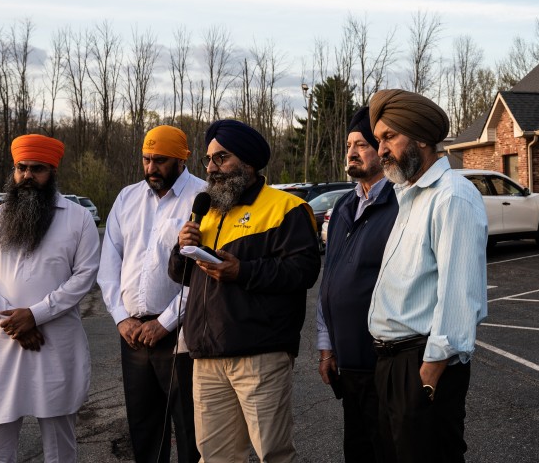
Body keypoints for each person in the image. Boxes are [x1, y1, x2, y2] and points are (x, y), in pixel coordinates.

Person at [168, 119, 321, 463]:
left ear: (248, 163)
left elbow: (304, 271)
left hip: (260, 355)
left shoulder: (286, 208)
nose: (211, 168)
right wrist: (181, 248)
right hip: (206, 357)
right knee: (215, 457)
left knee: (273, 455)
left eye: (221, 158)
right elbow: (181, 276)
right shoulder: (207, 209)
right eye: (208, 160)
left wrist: (242, 271)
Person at [0, 134, 101, 463]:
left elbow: (84, 277)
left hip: (54, 346)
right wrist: (14, 321)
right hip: (1, 344)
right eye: (21, 168)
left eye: (37, 169)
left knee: (60, 445)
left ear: (52, 171)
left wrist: (35, 315)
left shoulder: (77, 218)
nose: (27, 176)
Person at [366, 89, 489, 463]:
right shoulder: (410, 196)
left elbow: (460, 295)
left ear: (420, 137)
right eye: (378, 140)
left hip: (422, 366)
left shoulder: (451, 196)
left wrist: (428, 376)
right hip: (390, 363)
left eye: (389, 137)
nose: (381, 149)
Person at [98, 125, 206, 463]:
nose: (150, 168)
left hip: (181, 334)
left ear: (180, 159)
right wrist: (121, 318)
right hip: (132, 336)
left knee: (190, 431)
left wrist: (165, 322)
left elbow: (202, 276)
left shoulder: (202, 198)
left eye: (159, 160)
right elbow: (109, 263)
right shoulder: (127, 198)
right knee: (144, 430)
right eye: (145, 160)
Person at [316, 106, 399, 463]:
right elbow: (328, 279)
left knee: (389, 450)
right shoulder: (343, 206)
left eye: (362, 143)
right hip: (348, 364)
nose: (352, 152)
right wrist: (326, 347)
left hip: (385, 362)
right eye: (349, 144)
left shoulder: (400, 203)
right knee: (358, 450)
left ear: (381, 149)